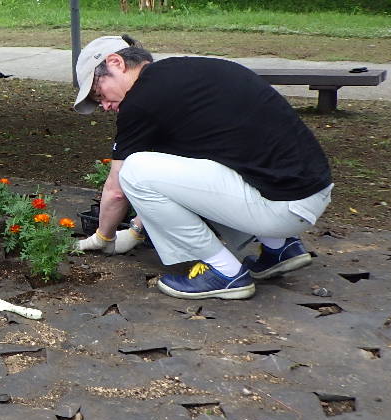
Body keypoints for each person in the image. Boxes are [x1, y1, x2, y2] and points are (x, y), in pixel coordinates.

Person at [72, 35, 333, 301]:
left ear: (116, 63)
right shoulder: (183, 76)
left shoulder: (140, 101)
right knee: (162, 169)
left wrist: (103, 238)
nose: (104, 106)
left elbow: (117, 190)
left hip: (283, 206)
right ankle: (278, 248)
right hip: (306, 191)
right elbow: (180, 182)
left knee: (133, 171)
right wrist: (136, 230)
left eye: (99, 94)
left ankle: (225, 272)